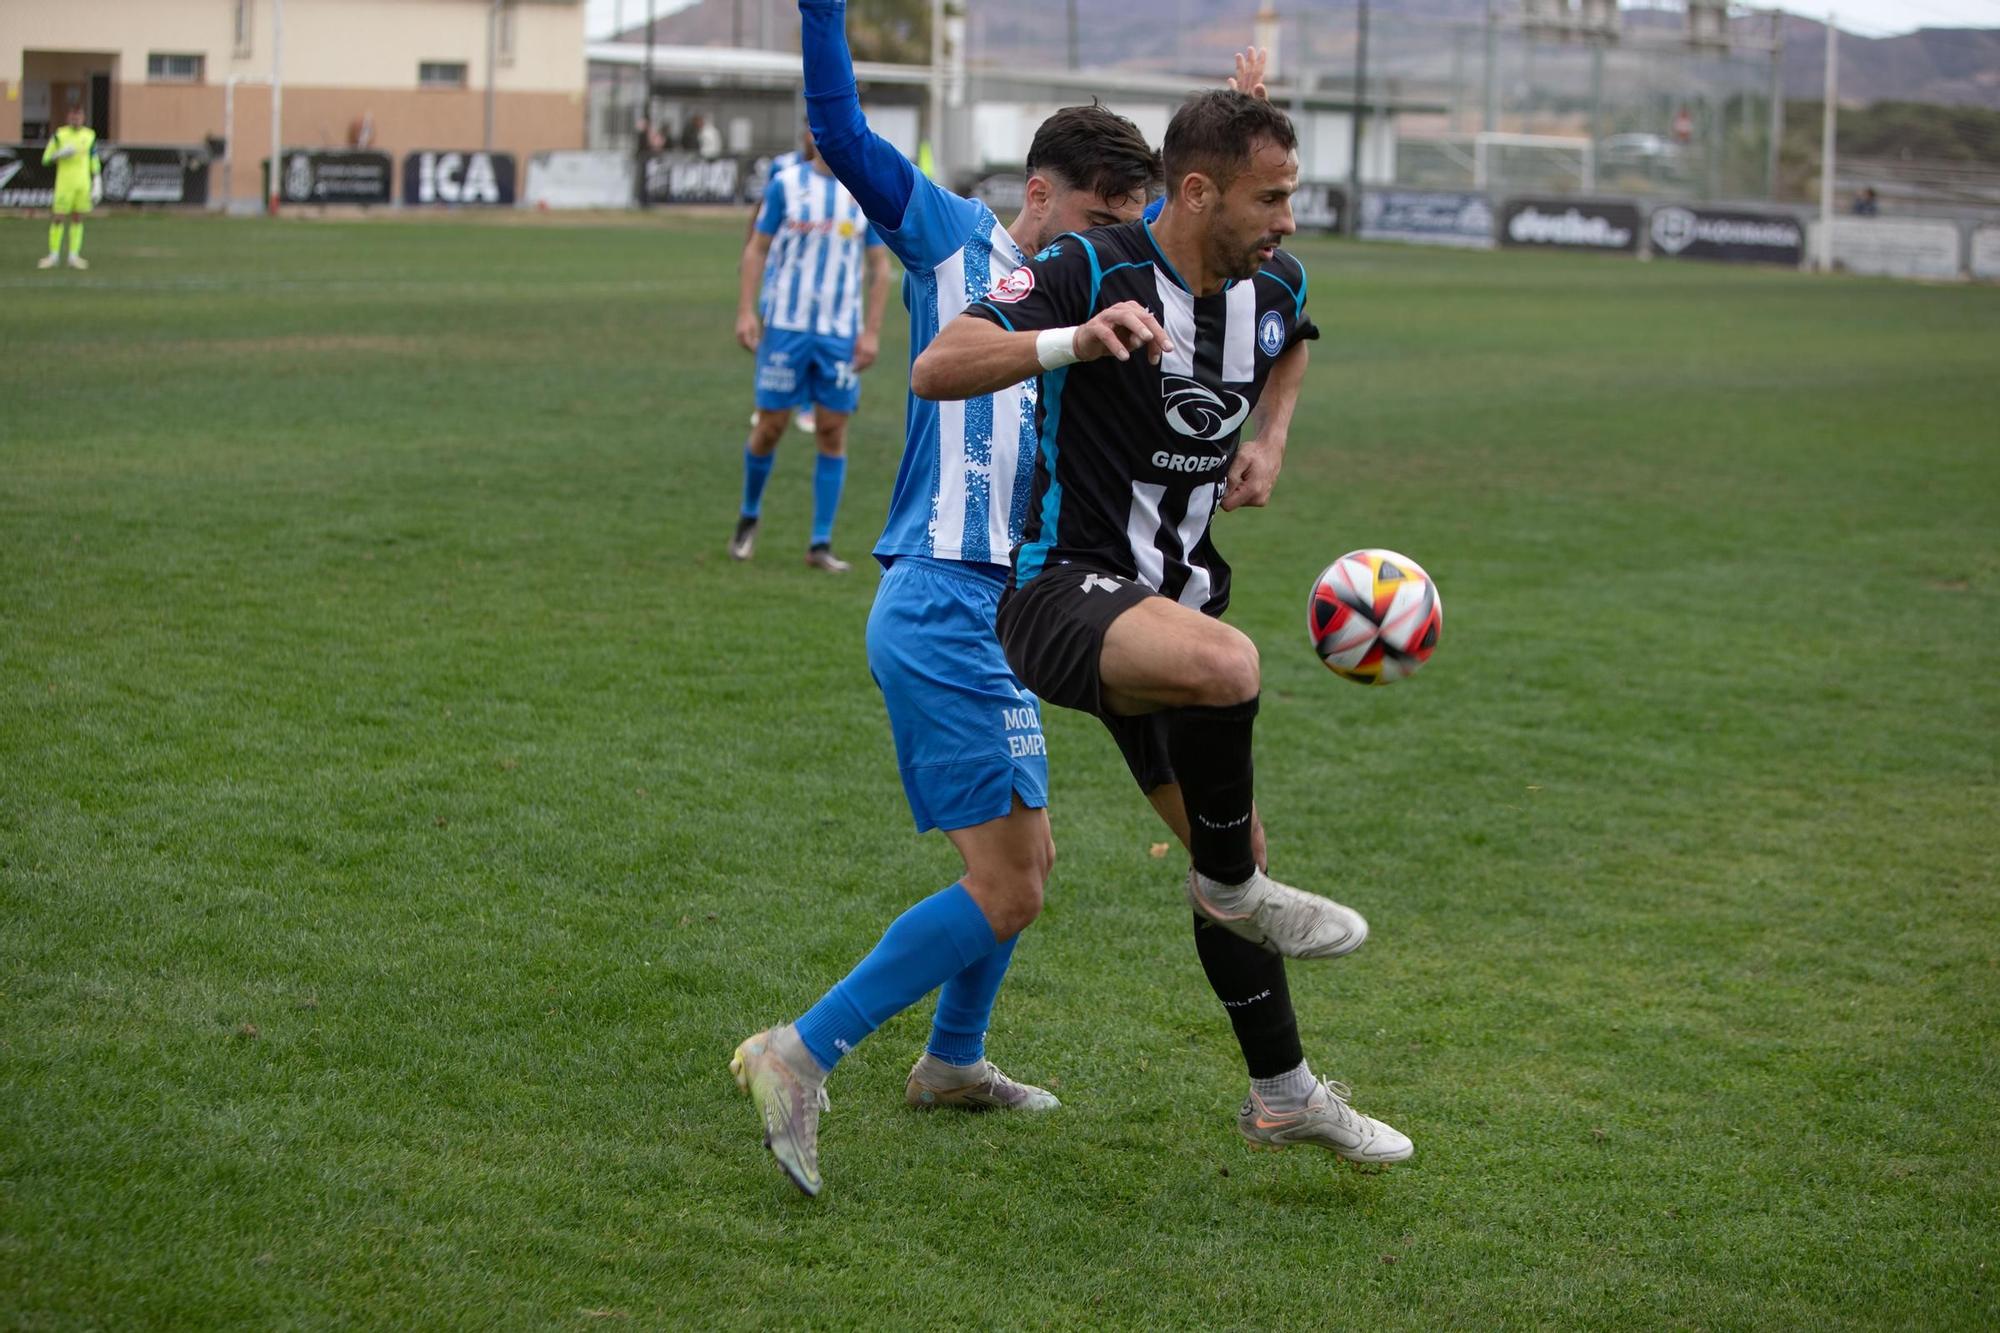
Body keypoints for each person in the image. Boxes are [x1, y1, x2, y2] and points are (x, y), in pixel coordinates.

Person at [729, 3, 1338, 1199]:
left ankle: (952, 1063)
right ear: (1044, 195)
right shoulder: (957, 246)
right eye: (1109, 215)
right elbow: (840, 127)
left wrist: (1234, 115)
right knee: (1009, 881)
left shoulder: (1119, 269)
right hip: (948, 593)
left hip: (1029, 596)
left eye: (1136, 217)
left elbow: (1219, 254)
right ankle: (797, 1053)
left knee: (1031, 861)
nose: (1123, 241)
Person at [911, 88, 1413, 1166]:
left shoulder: (1272, 285)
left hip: (1168, 606)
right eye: (1269, 197)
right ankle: (1238, 893)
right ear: (1196, 193)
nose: (1287, 219)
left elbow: (1288, 344)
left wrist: (1269, 440)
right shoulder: (1090, 269)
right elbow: (935, 366)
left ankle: (1281, 1094)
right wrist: (1069, 342)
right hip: (1056, 593)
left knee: (1230, 834)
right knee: (1228, 668)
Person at [732, 128, 891, 572]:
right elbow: (756, 249)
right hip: (786, 326)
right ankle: (749, 515)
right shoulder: (786, 184)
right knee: (771, 426)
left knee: (832, 431)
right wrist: (747, 311)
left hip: (839, 332)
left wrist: (872, 331)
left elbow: (880, 268)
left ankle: (820, 543)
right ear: (812, 134)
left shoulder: (864, 193)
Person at [39, 102, 99, 271]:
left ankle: (74, 256)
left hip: (82, 184)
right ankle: (53, 255)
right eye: (73, 116)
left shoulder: (90, 136)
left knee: (77, 218)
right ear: (68, 117)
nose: (76, 119)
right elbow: (45, 159)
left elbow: (93, 158)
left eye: (79, 116)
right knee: (58, 218)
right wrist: (59, 154)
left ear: (83, 118)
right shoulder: (60, 135)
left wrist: (97, 180)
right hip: (64, 185)